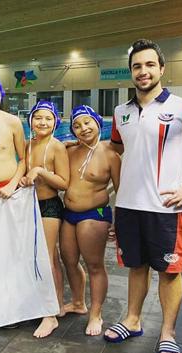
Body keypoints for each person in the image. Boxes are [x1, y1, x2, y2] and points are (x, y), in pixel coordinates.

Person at [105, 39, 182, 353]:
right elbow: (114, 150)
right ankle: (132, 319)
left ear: (162, 69)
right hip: (129, 207)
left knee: (169, 272)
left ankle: (167, 333)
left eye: (149, 65)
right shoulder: (120, 112)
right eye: (137, 66)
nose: (143, 71)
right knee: (136, 266)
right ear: (131, 72)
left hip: (166, 210)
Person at [59, 106, 120, 337]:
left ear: (97, 122)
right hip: (69, 213)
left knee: (94, 265)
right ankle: (77, 302)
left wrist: (119, 223)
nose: (83, 128)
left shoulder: (110, 153)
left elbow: (121, 190)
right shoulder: (69, 151)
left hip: (94, 214)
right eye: (77, 125)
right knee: (69, 261)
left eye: (87, 123)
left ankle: (96, 314)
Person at [19, 100, 69, 338]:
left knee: (47, 259)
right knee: (48, 258)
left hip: (49, 206)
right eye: (38, 117)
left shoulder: (57, 146)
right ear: (31, 120)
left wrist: (39, 171)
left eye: (48, 118)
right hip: (29, 207)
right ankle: (57, 304)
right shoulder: (27, 145)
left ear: (55, 122)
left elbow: (63, 182)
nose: (43, 122)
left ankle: (49, 315)